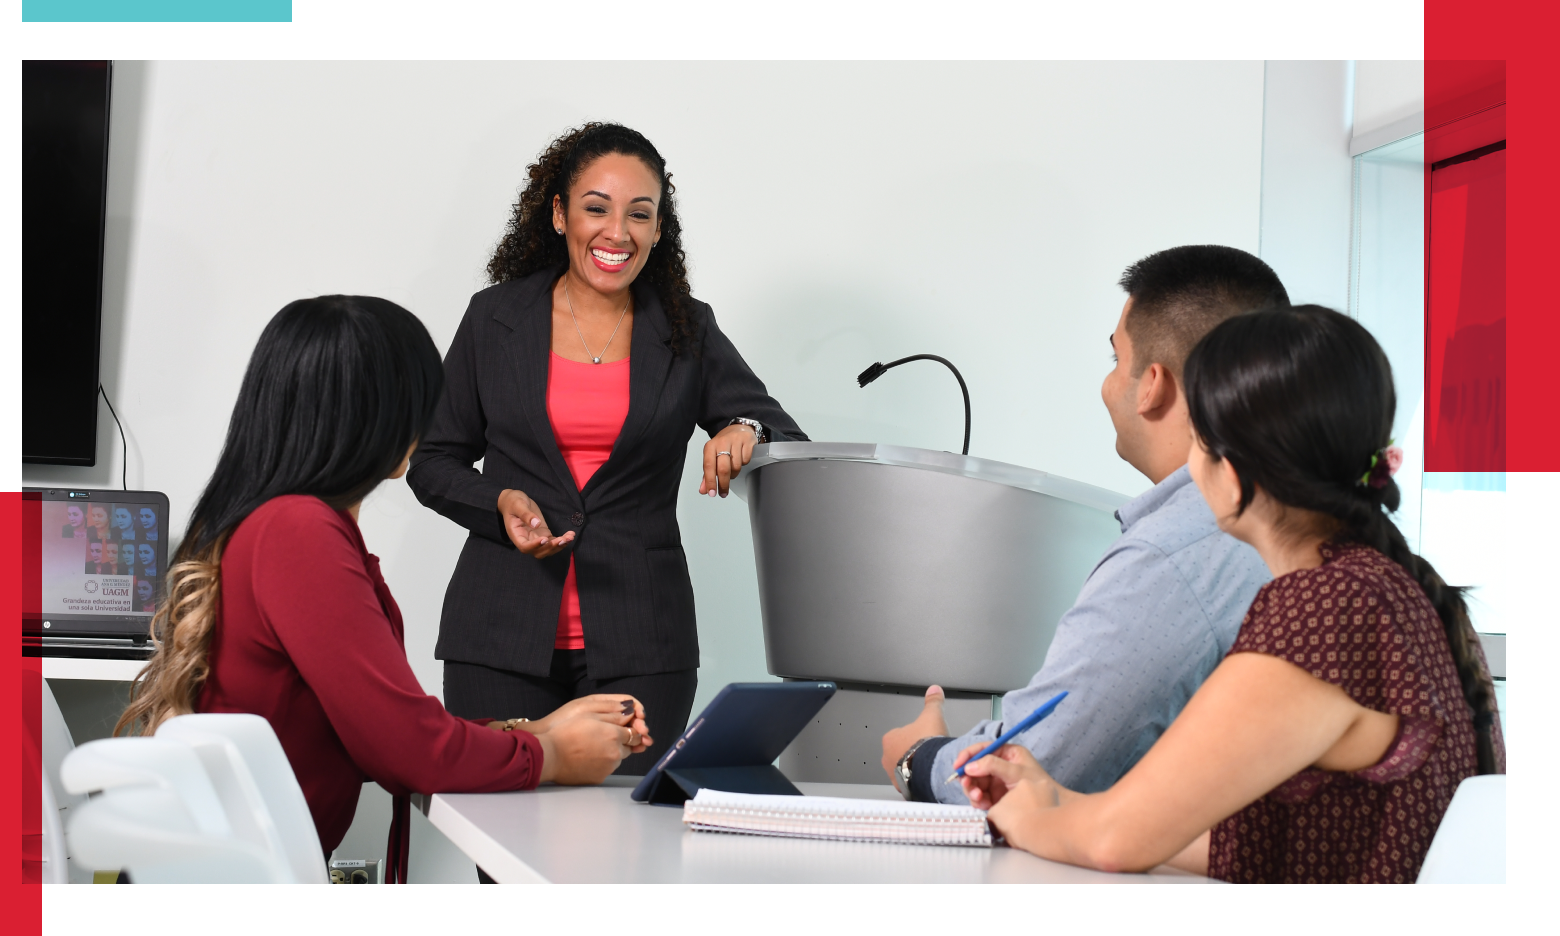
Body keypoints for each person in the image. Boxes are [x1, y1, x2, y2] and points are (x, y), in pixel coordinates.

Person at [955, 305, 1505, 884]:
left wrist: (1018, 819)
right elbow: (1287, 843)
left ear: (1234, 471)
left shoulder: (1322, 609)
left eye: (1198, 442)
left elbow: (1116, 844)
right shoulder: (1395, 588)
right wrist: (1056, 802)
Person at [116, 296, 653, 885]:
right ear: (382, 416)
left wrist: (538, 732)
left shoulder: (282, 524)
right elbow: (405, 750)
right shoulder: (299, 533)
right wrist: (554, 756)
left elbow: (388, 731)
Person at [409, 123, 807, 776]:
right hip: (498, 638)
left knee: (621, 854)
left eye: (639, 214)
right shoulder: (494, 318)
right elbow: (433, 461)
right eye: (597, 208)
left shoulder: (685, 327)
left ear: (658, 228)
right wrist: (499, 502)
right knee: (503, 847)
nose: (617, 233)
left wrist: (745, 428)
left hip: (641, 642)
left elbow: (783, 434)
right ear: (560, 215)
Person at [882, 245, 1284, 803]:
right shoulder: (1292, 521)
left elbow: (1039, 769)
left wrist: (918, 758)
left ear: (1153, 384)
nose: (1109, 383)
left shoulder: (1175, 557)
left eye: (1117, 359)